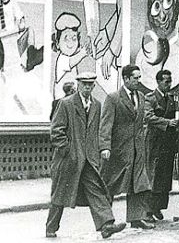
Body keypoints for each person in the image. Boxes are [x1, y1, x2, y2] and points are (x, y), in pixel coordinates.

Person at [46, 72, 126, 239]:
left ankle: (106, 225)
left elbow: (96, 130)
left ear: (94, 86)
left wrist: (98, 150)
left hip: (88, 159)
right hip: (68, 159)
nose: (87, 87)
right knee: (60, 194)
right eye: (84, 84)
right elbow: (56, 131)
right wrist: (67, 150)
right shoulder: (66, 104)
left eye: (90, 84)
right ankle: (51, 227)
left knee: (96, 190)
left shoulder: (96, 105)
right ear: (78, 85)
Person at [100, 64, 153, 229]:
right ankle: (105, 220)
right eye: (135, 78)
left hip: (137, 150)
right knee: (110, 184)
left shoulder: (142, 97)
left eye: (139, 77)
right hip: (118, 151)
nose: (138, 81)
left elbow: (140, 122)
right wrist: (105, 147)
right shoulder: (113, 98)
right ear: (126, 79)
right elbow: (105, 125)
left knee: (137, 184)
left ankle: (136, 218)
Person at [144, 69, 178, 220]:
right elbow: (148, 116)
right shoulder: (150, 98)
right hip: (155, 142)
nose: (169, 84)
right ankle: (149, 211)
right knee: (154, 176)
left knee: (165, 177)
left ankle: (158, 207)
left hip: (168, 143)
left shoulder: (170, 98)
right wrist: (168, 122)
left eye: (170, 81)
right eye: (166, 82)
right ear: (158, 82)